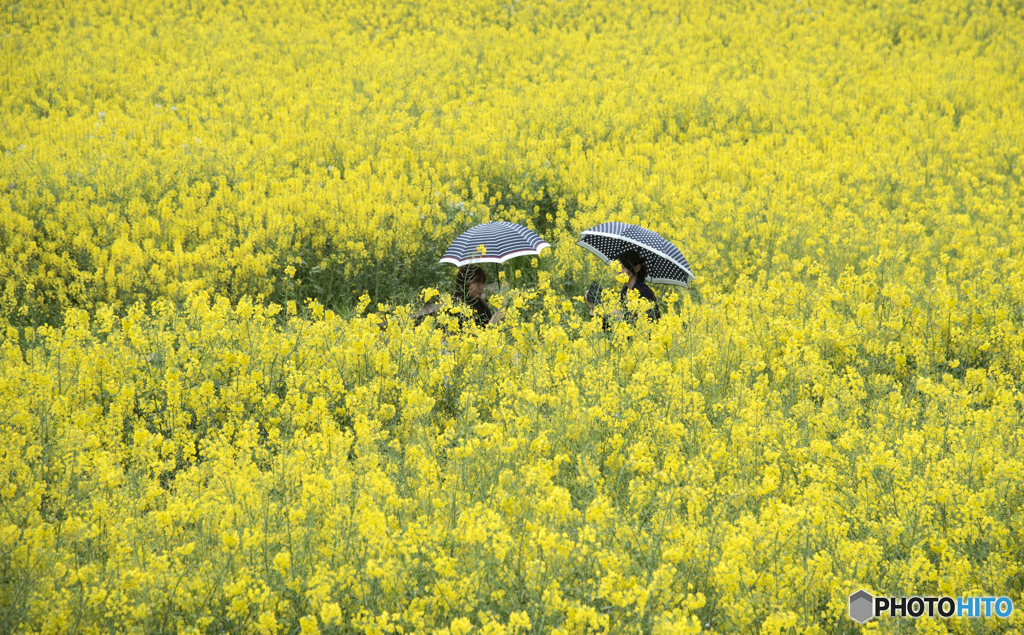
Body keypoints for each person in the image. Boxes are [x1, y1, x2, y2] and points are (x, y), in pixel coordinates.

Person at [586, 250, 660, 325]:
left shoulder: (645, 292)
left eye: (623, 267)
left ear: (637, 268)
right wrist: (594, 308)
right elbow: (608, 331)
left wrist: (620, 316)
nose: (619, 271)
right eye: (617, 267)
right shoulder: (623, 293)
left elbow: (649, 326)